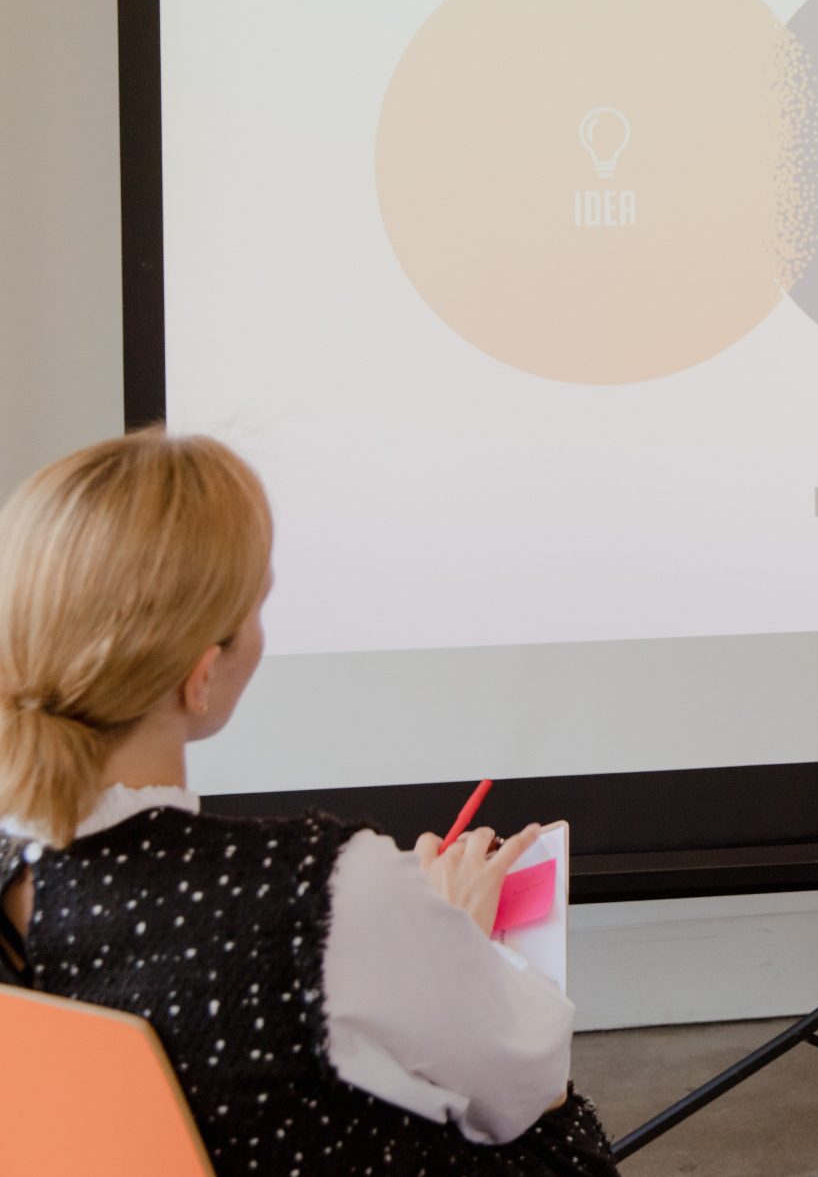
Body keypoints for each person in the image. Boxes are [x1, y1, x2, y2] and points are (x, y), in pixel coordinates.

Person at [0, 429, 618, 1176]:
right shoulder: (314, 888)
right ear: (201, 676)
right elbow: (528, 1077)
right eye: (257, 605)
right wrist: (459, 939)